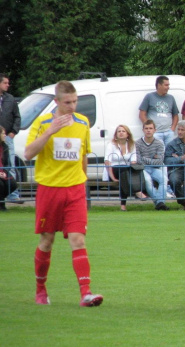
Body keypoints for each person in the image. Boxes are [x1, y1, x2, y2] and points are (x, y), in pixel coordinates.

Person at [24, 80, 103, 307]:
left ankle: (85, 293)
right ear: (56, 102)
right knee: (47, 240)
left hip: (75, 189)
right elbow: (28, 153)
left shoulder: (83, 122)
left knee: (78, 240)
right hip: (49, 189)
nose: (72, 106)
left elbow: (83, 155)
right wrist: (50, 131)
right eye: (67, 102)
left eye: (75, 101)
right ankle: (40, 290)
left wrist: (84, 181)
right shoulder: (42, 123)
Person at [104, 125, 147, 211]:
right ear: (116, 134)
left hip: (126, 171)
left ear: (128, 134)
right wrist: (112, 177)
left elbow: (133, 161)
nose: (121, 133)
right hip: (113, 170)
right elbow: (107, 162)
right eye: (119, 131)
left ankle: (123, 206)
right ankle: (137, 191)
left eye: (123, 131)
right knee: (124, 172)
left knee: (125, 175)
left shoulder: (131, 145)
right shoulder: (111, 145)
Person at [136, 120, 169, 211]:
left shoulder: (159, 143)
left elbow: (159, 161)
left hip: (156, 168)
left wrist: (144, 158)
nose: (148, 130)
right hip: (143, 168)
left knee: (164, 179)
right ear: (143, 130)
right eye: (146, 128)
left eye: (150, 128)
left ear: (155, 130)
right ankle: (160, 203)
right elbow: (138, 160)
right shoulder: (137, 143)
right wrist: (152, 159)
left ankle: (159, 203)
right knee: (147, 181)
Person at [0, 73, 23, 204]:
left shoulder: (10, 99)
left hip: (7, 137)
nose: (8, 85)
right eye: (5, 83)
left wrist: (13, 132)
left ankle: (13, 195)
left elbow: (17, 116)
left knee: (10, 165)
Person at [139, 76, 180, 147]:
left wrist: (172, 129)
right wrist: (150, 129)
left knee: (169, 153)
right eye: (166, 85)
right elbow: (142, 115)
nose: (168, 87)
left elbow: (175, 115)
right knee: (158, 154)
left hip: (168, 132)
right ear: (159, 85)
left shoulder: (171, 98)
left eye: (168, 85)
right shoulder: (149, 97)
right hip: (156, 133)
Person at [164, 120, 185, 209]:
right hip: (177, 169)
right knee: (173, 180)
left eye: (182, 130)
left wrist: (177, 158)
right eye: (179, 129)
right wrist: (182, 158)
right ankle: (184, 202)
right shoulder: (171, 144)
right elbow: (167, 161)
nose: (180, 132)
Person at [0, 126, 18, 210]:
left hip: (2, 172)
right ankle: (1, 205)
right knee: (1, 184)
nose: (5, 135)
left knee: (12, 184)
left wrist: (4, 172)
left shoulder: (5, 147)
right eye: (3, 133)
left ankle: (1, 202)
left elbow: (7, 164)